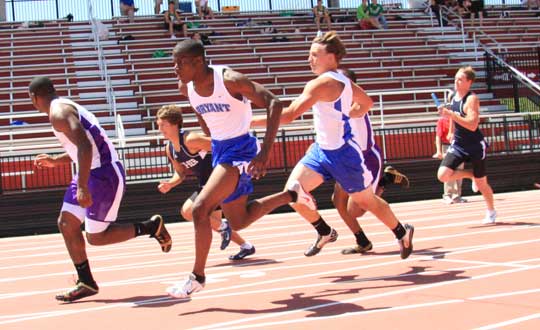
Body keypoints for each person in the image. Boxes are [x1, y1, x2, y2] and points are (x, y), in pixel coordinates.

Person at [165, 40, 313, 299]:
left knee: (200, 209)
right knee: (238, 221)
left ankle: (196, 277)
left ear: (198, 62)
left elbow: (274, 103)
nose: (174, 68)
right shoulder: (186, 87)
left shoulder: (230, 80)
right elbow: (199, 109)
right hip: (221, 149)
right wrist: (209, 132)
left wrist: (264, 153)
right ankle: (292, 194)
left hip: (241, 149)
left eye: (180, 63)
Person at [252, 32, 414, 259]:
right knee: (292, 192)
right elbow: (367, 103)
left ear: (332, 57)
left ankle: (401, 232)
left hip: (344, 154)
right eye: (309, 55)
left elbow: (288, 116)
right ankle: (324, 231)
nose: (310, 59)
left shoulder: (321, 84)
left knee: (365, 201)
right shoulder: (344, 81)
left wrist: (248, 122)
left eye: (315, 55)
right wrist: (347, 114)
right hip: (321, 150)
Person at [29, 77, 172, 302]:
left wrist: (83, 186)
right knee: (66, 222)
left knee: (96, 237)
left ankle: (151, 227)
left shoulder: (59, 113)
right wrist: (56, 161)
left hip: (104, 174)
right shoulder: (65, 107)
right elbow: (83, 147)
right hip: (89, 171)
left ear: (34, 98)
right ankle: (86, 281)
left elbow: (85, 147)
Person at [156, 105, 256, 260]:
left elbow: (220, 144)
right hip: (205, 183)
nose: (160, 128)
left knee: (188, 211)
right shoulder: (170, 149)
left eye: (163, 125)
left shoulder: (191, 140)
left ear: (174, 123)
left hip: (219, 180)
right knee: (214, 223)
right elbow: (180, 173)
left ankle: (224, 228)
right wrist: (170, 183)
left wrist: (236, 165)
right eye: (158, 125)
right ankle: (246, 246)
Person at [437, 66, 497, 224]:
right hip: (458, 144)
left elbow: (472, 125)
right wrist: (450, 130)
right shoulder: (454, 97)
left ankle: (491, 211)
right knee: (442, 175)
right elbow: (453, 117)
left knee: (482, 184)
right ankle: (472, 175)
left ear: (469, 82)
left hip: (475, 145)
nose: (456, 81)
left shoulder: (472, 99)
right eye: (455, 78)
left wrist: (450, 114)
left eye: (460, 79)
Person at [433, 115, 466, 204]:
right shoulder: (442, 120)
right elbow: (438, 136)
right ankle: (447, 195)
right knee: (448, 171)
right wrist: (439, 151)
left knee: (459, 171)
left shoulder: (459, 119)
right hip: (448, 146)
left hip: (459, 146)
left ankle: (457, 195)